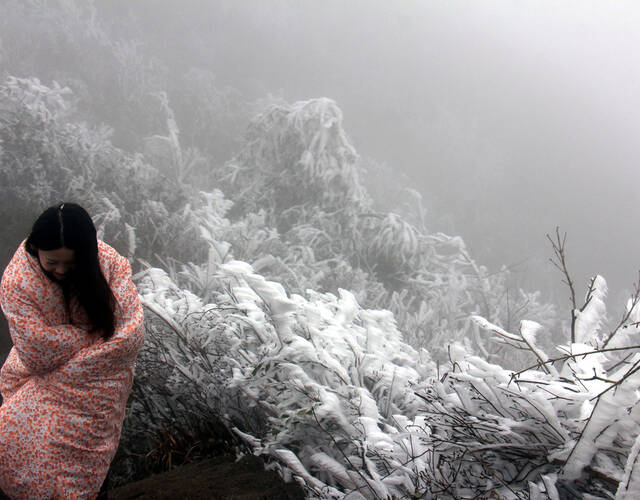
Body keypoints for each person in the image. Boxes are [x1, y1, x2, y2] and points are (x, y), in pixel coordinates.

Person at [0, 203, 144, 499]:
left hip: (98, 386)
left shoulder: (108, 262)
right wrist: (88, 336)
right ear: (36, 248)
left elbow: (130, 336)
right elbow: (36, 351)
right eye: (52, 262)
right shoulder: (18, 282)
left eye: (72, 263)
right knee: (17, 440)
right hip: (35, 377)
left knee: (82, 458)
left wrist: (66, 345)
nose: (61, 271)